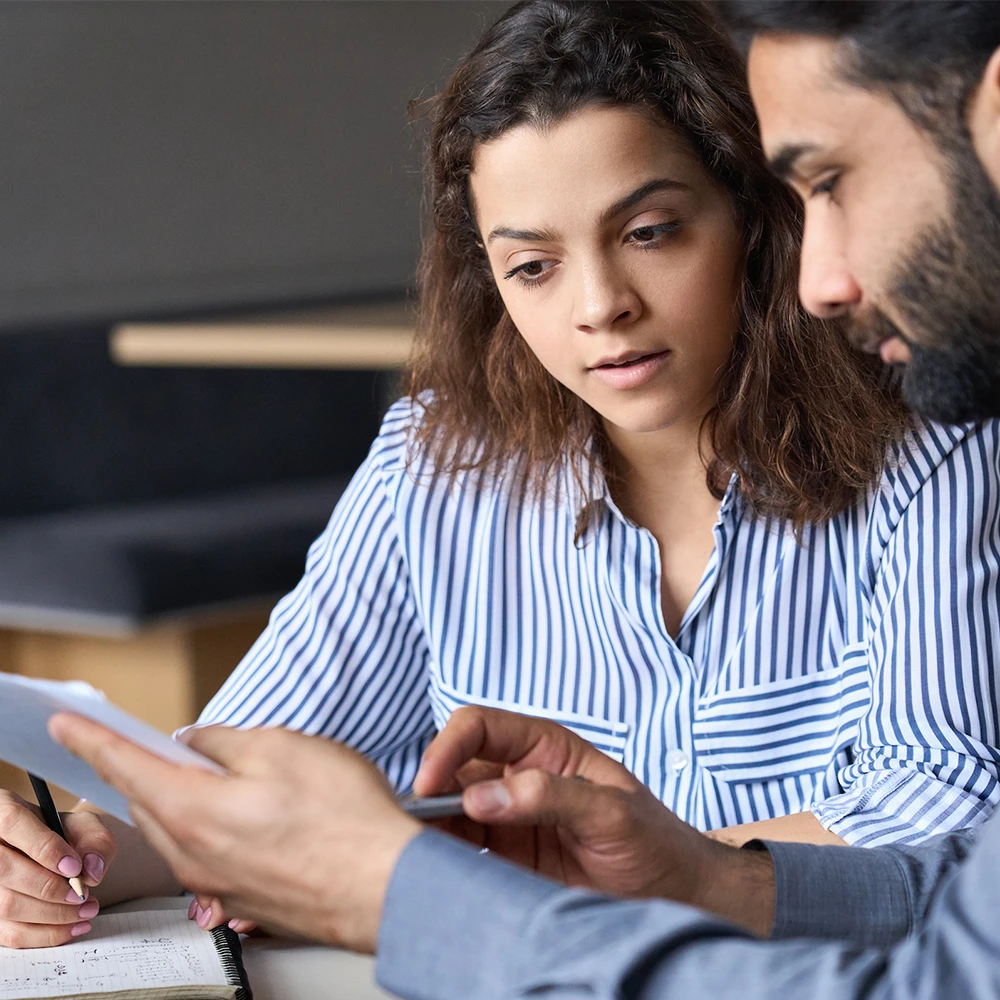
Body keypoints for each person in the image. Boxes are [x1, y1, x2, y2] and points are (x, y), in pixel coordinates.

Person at [27, 0, 1000, 993]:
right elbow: (250, 767)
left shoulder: (935, 439)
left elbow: (942, 825)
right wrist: (75, 854)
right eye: (531, 265)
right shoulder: (436, 463)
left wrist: (553, 887)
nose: (597, 305)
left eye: (652, 231)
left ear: (754, 217)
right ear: (489, 279)